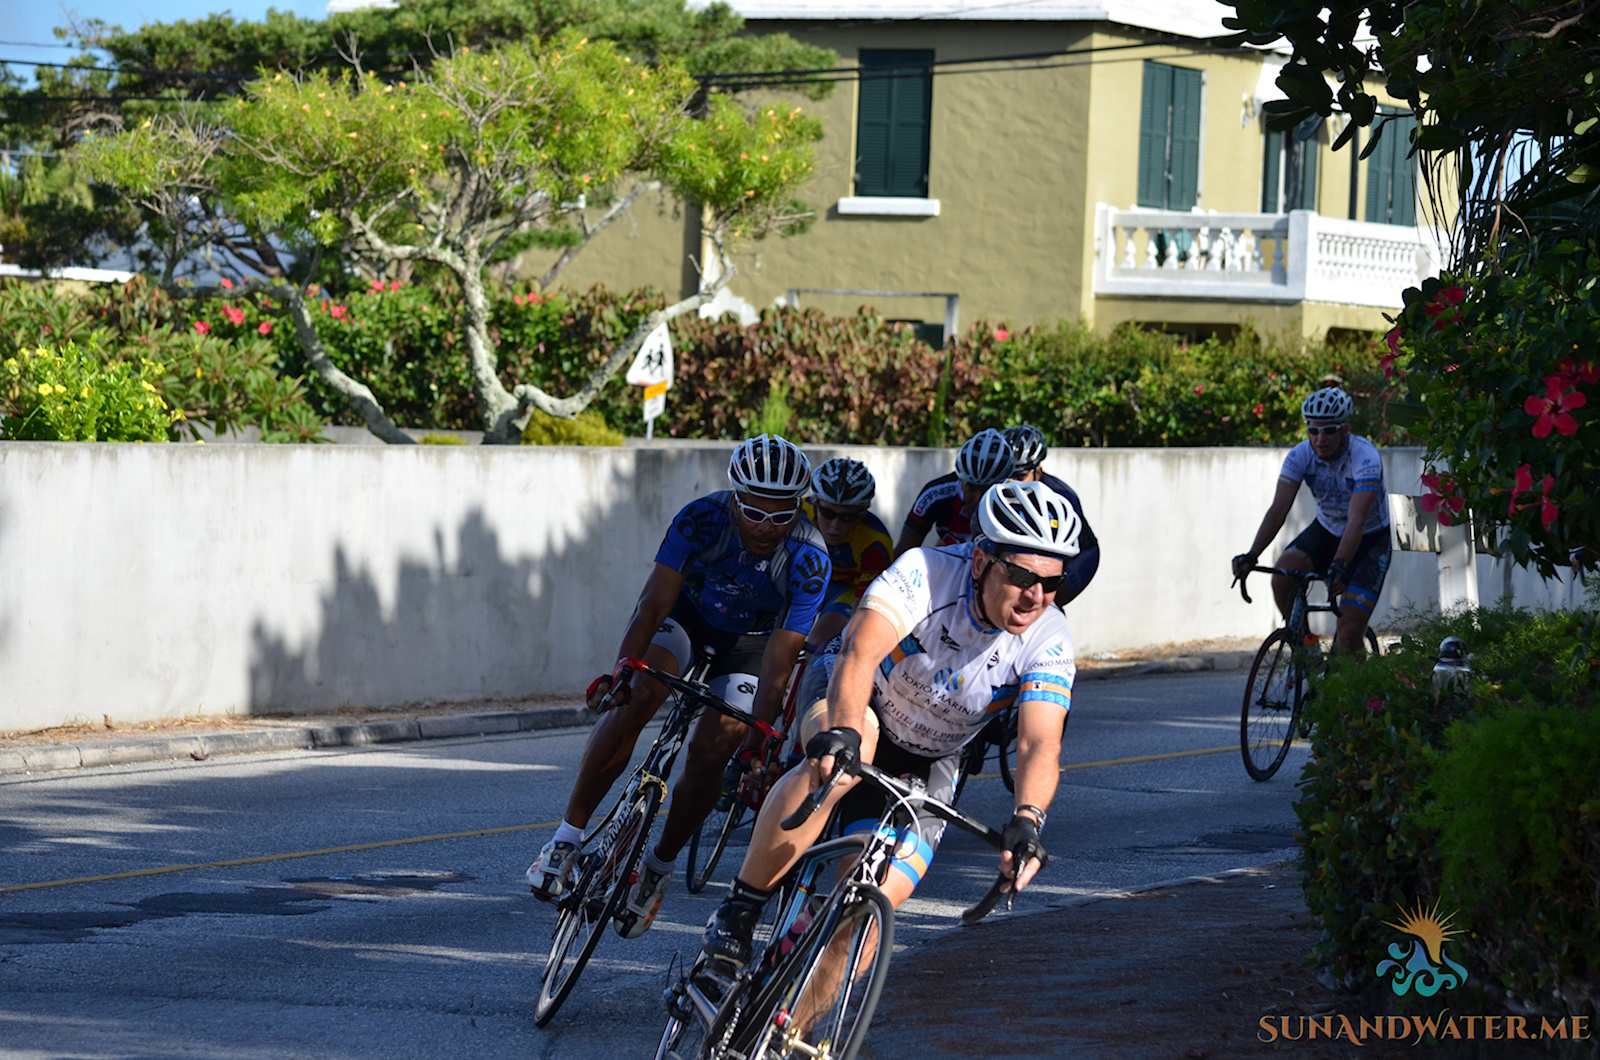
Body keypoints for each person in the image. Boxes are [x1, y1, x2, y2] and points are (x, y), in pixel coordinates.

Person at [699, 479, 1081, 976]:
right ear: (983, 560)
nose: (1036, 596)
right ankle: (740, 910)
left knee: (867, 919)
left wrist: (1028, 818)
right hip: (862, 699)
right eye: (1023, 576)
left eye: (1052, 584)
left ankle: (788, 1038)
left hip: (935, 753)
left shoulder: (1050, 635)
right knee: (839, 766)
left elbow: (1039, 740)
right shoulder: (927, 571)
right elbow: (859, 655)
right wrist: (845, 735)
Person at [527, 434, 831, 941]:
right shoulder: (702, 518)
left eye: (781, 516)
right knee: (641, 694)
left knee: (718, 743)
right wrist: (625, 667)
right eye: (754, 512)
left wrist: (756, 741)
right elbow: (652, 603)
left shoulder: (809, 557)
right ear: (735, 498)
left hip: (753, 644)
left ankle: (657, 868)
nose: (766, 528)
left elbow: (780, 659)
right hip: (689, 618)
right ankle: (565, 838)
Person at [1231, 387, 1391, 654]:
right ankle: (1306, 648)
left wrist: (1340, 565)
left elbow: (1358, 520)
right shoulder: (1299, 456)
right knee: (1282, 579)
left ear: (1345, 430)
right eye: (1312, 430)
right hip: (1326, 530)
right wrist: (1252, 554)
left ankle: (1361, 692)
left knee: (1349, 632)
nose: (1320, 438)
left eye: (1329, 430)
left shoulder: (1365, 458)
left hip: (1369, 540)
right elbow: (1278, 510)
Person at [800, 458, 894, 650]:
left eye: (846, 517)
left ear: (861, 515)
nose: (835, 525)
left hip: (846, 590)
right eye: (827, 513)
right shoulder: (799, 514)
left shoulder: (875, 543)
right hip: (801, 580)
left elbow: (861, 612)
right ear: (815, 503)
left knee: (817, 644)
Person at [1002, 424, 1100, 604]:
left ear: (1037, 473)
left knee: (1045, 603)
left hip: (1079, 555)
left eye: (1020, 476)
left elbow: (1067, 555)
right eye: (1005, 475)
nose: (1011, 483)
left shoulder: (1061, 497)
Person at [892, 428, 1016, 557]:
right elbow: (903, 551)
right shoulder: (936, 494)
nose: (978, 498)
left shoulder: (1015, 501)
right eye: (972, 488)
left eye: (987, 489)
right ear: (961, 480)